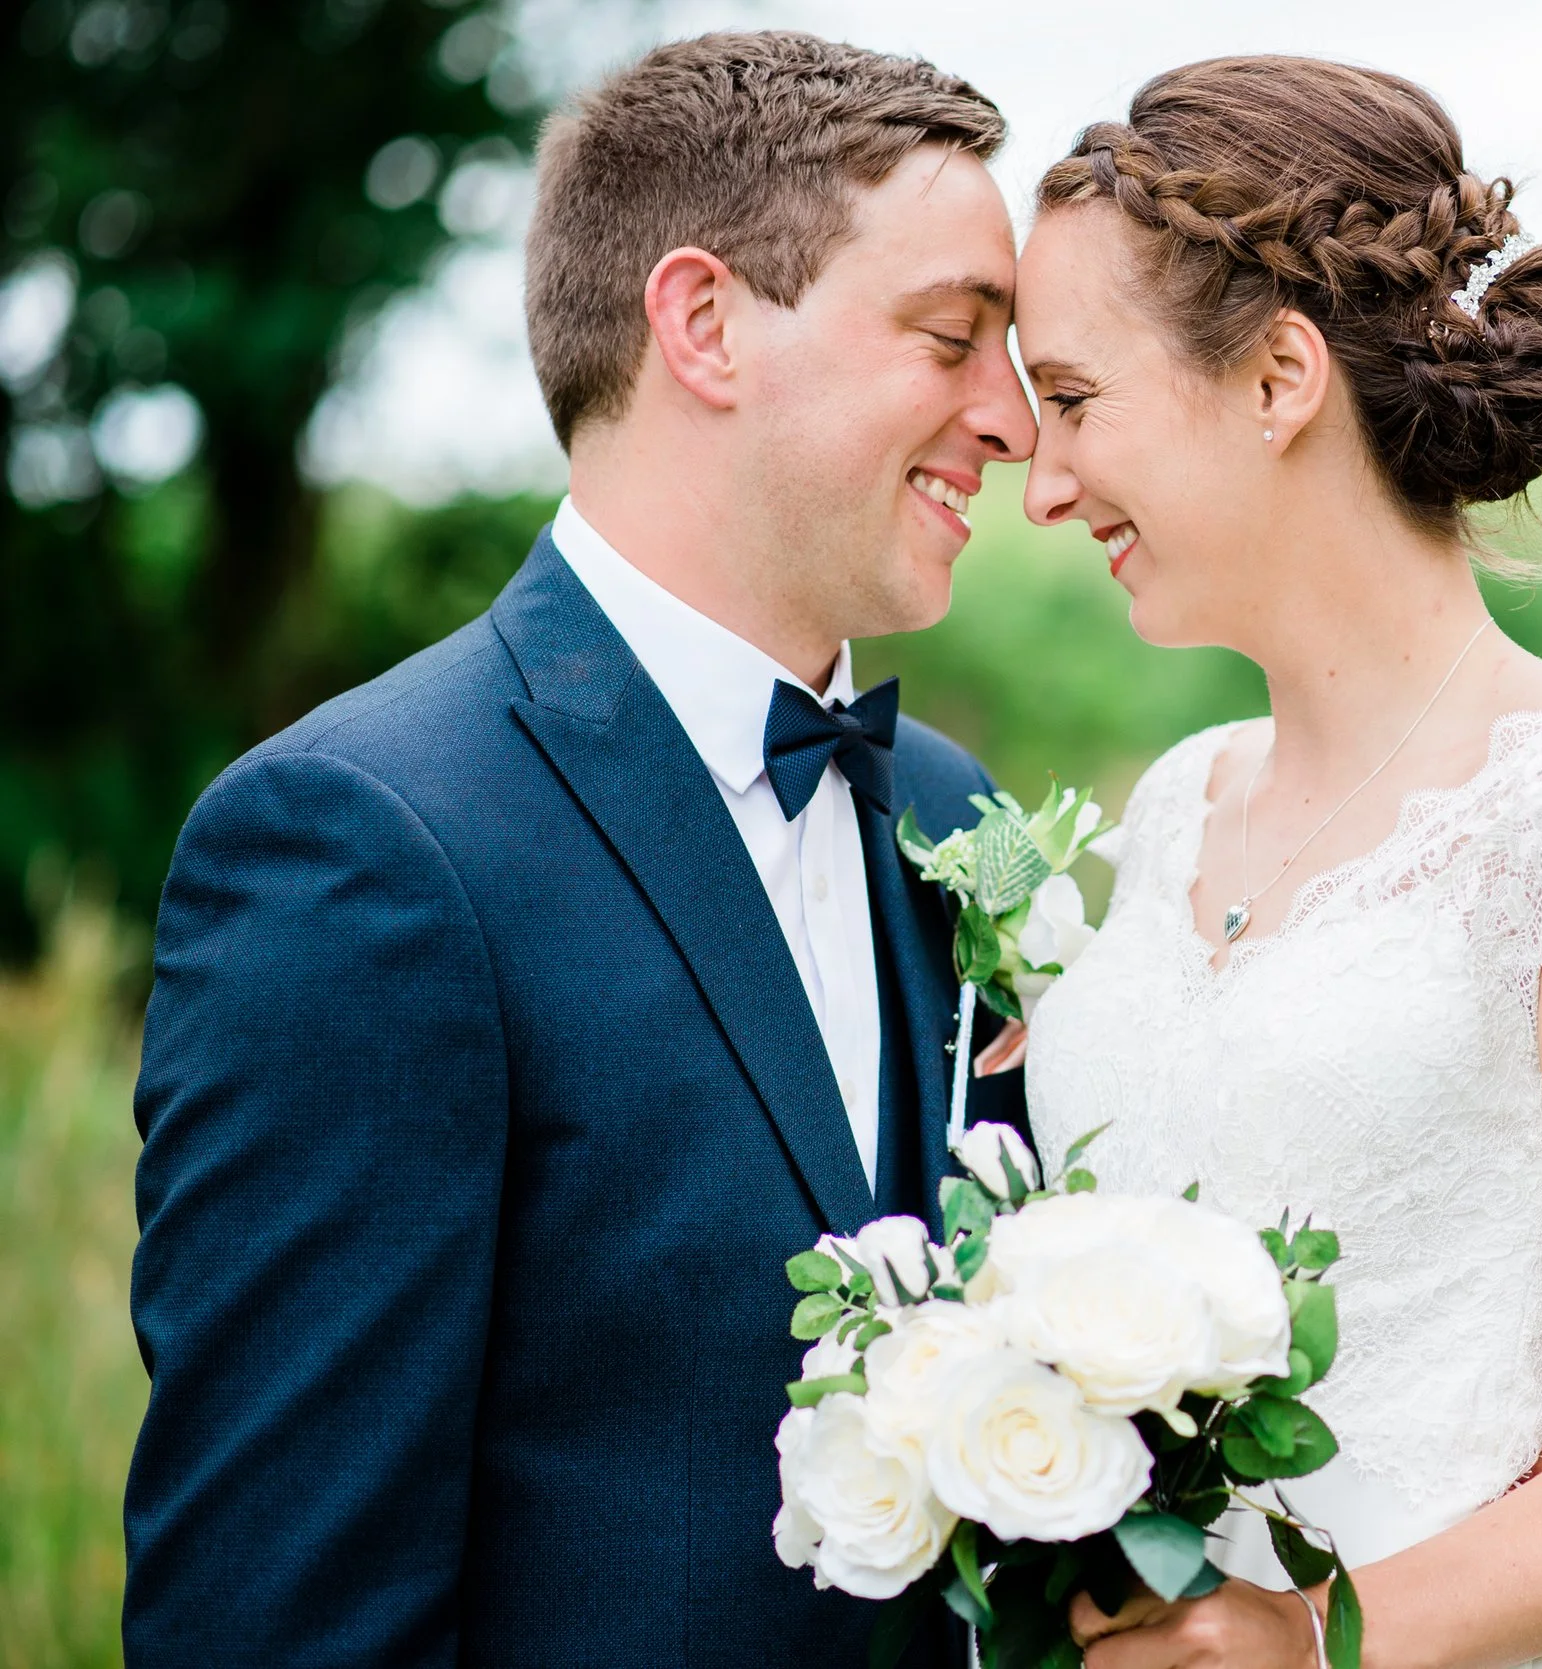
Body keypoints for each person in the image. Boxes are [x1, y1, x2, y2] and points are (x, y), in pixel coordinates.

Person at [122, 34, 1035, 1667]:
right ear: (702, 324)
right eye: (957, 338)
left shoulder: (954, 818)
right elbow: (277, 1613)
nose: (1016, 421)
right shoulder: (362, 847)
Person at [1010, 57, 1542, 1669]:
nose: (1040, 484)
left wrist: (1313, 1641)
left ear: (1277, 382)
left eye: (1078, 400)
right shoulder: (1175, 802)